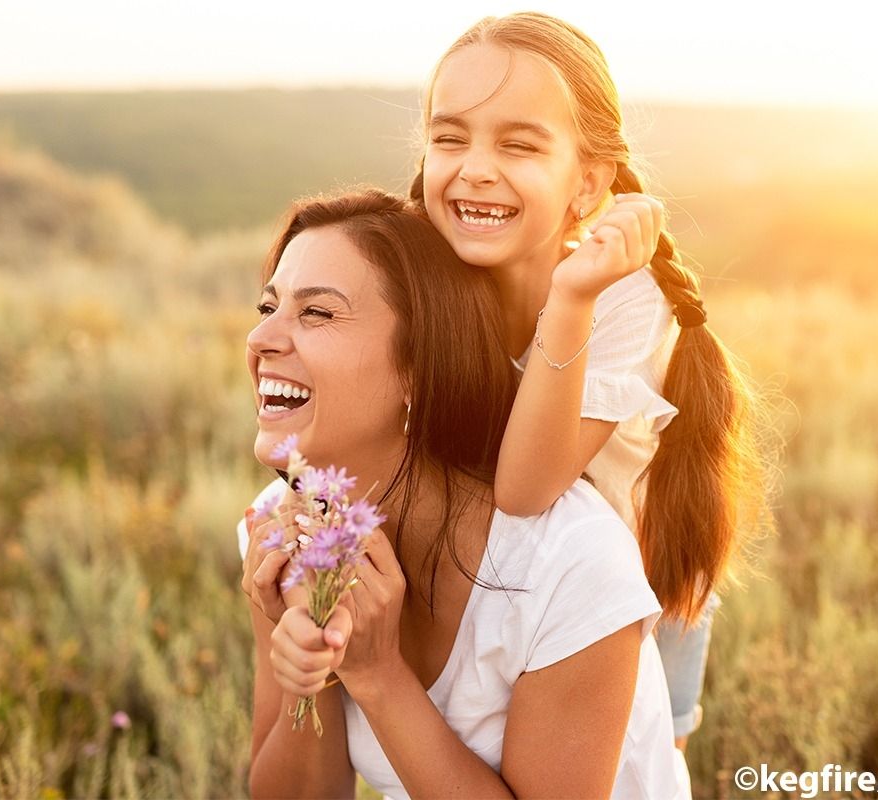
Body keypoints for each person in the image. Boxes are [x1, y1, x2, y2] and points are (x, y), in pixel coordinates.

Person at [240, 190, 690, 799]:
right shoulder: (283, 535)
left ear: (418, 369)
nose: (261, 337)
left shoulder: (568, 563)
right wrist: (309, 664)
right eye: (268, 306)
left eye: (316, 313)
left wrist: (376, 675)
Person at [406, 12, 771, 749]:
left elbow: (526, 488)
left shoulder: (625, 299)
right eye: (450, 138)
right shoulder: (422, 282)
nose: (475, 166)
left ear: (588, 183)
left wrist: (571, 299)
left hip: (630, 611)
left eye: (519, 144)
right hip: (496, 607)